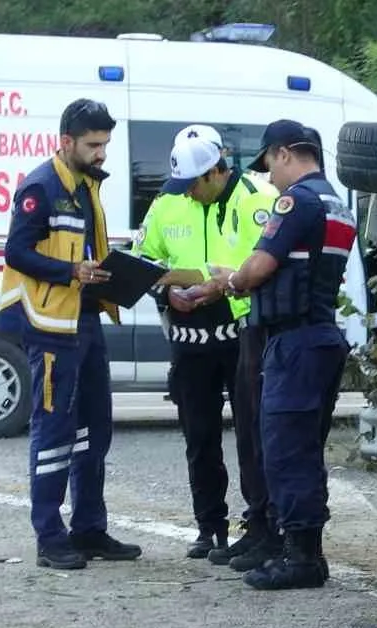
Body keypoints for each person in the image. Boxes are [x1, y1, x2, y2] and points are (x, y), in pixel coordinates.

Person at [0, 99, 144, 570]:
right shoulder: (41, 186)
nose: (102, 153)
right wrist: (70, 271)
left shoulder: (86, 185)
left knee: (93, 428)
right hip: (49, 325)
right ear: (66, 142)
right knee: (54, 430)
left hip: (84, 318)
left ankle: (89, 528)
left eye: (105, 144)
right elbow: (16, 252)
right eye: (94, 144)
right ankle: (50, 536)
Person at [212, 120, 353, 591]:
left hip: (294, 341)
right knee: (304, 448)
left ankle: (302, 558)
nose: (269, 178)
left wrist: (229, 279)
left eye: (269, 165)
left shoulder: (297, 202)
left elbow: (259, 267)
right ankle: (304, 551)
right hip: (321, 335)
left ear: (285, 153)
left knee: (286, 450)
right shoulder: (338, 203)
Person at [135, 125, 280, 561]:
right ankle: (209, 526)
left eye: (193, 186)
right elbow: (145, 257)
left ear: (216, 172)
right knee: (199, 437)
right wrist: (164, 292)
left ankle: (260, 525)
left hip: (240, 334)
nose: (187, 195)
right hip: (188, 337)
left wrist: (220, 285)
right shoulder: (167, 203)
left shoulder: (255, 198)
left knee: (252, 437)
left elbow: (263, 263)